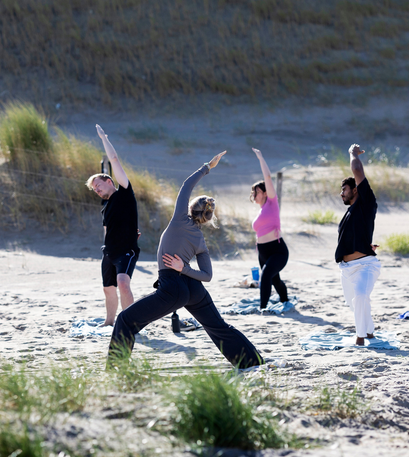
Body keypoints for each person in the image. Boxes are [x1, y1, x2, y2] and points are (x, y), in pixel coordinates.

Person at [109, 152, 264, 369]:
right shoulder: (200, 238)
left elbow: (186, 185)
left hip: (173, 287)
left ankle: (115, 371)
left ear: (190, 207)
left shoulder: (179, 219)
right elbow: (207, 276)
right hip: (193, 288)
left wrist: (207, 166)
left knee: (125, 320)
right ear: (208, 217)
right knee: (219, 327)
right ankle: (253, 361)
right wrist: (186, 268)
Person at [85, 125, 140, 326]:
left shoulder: (124, 193)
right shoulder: (106, 207)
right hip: (109, 252)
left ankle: (131, 322)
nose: (97, 190)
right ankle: (110, 321)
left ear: (109, 181)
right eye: (94, 190)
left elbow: (114, 160)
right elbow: (109, 230)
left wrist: (104, 138)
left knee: (123, 284)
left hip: (126, 251)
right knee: (108, 288)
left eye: (98, 185)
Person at [335, 143, 381, 346]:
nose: (341, 193)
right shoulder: (349, 213)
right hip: (346, 269)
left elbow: (357, 170)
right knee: (355, 304)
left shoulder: (366, 203)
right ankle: (369, 331)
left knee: (361, 296)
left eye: (344, 189)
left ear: (355, 189)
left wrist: (352, 153)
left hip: (365, 266)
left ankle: (360, 338)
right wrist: (366, 243)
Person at [250, 148, 290, 310]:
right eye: (253, 192)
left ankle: (263, 308)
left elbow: (267, 177)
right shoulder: (260, 212)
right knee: (275, 279)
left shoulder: (272, 203)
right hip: (263, 252)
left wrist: (260, 158)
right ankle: (285, 300)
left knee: (266, 276)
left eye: (257, 191)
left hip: (277, 251)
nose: (254, 194)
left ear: (265, 193)